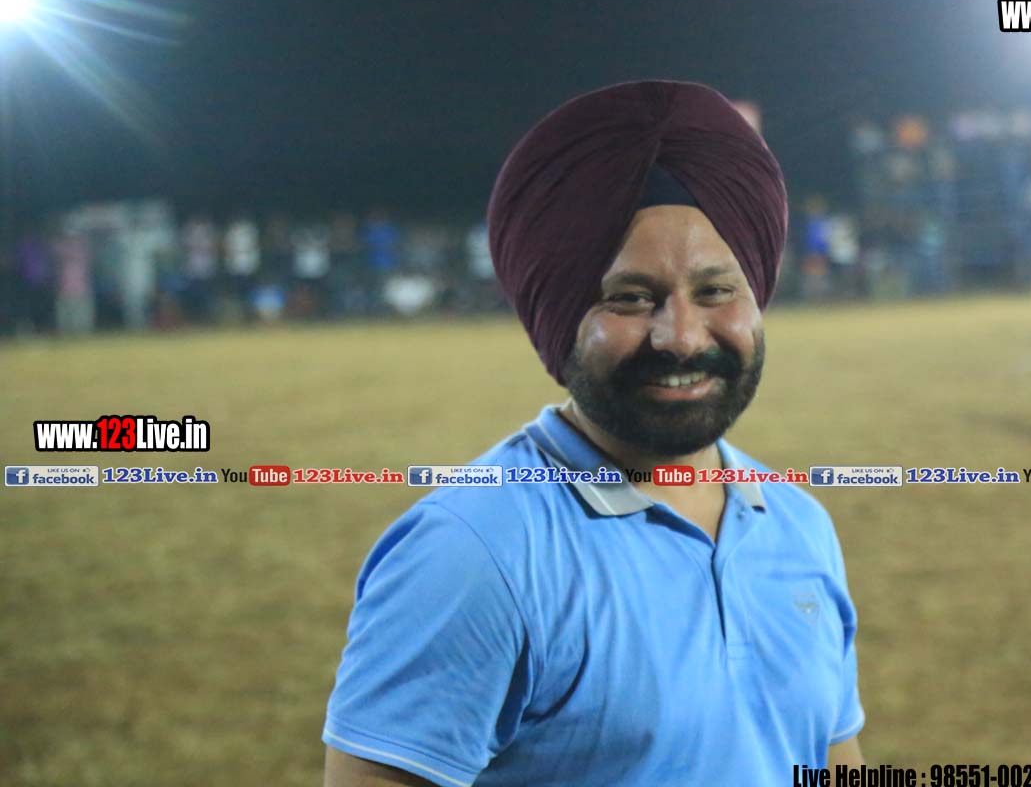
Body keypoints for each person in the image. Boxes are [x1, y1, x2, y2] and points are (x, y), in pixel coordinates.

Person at [322, 81, 868, 787]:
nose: (681, 337)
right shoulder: (474, 555)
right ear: (558, 314)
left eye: (715, 291)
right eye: (631, 298)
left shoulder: (799, 526)